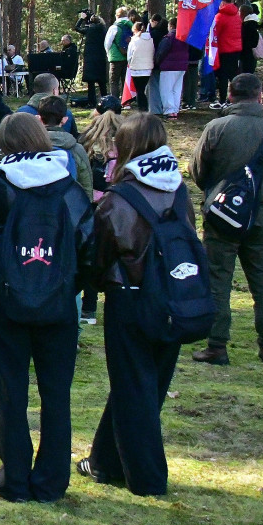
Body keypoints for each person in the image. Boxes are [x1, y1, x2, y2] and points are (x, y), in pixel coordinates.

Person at [0, 112, 93, 502]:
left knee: (9, 390)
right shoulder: (70, 187)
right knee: (56, 393)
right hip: (58, 299)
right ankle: (52, 481)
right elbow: (87, 245)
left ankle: (16, 478)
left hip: (6, 297)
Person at [79, 113, 191, 496]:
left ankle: (146, 478)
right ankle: (104, 461)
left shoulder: (119, 198)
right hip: (174, 296)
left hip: (131, 300)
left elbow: (98, 257)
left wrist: (93, 284)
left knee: (134, 388)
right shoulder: (178, 189)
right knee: (145, 385)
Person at [190, 73, 263, 365]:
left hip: (221, 215)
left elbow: (197, 170)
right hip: (260, 217)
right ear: (260, 95)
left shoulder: (216, 128)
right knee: (262, 282)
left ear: (230, 94)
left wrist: (216, 193)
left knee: (217, 279)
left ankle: (216, 345)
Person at [78, 106, 125, 325]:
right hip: (116, 203)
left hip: (92, 203)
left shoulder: (88, 143)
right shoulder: (125, 145)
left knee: (91, 254)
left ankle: (88, 309)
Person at [38, 95, 93, 199]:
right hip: (69, 206)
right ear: (64, 120)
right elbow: (87, 185)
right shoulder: (76, 149)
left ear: (39, 119)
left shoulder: (29, 146)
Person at [211, 0, 243, 109]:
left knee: (222, 76)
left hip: (224, 49)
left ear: (223, 3)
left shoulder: (220, 16)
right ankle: (234, 98)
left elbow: (215, 34)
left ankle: (222, 100)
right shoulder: (237, 15)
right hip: (236, 49)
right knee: (233, 75)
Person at [154, 18, 188, 119]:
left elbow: (161, 52)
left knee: (166, 89)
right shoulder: (184, 37)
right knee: (176, 89)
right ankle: (175, 110)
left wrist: (157, 61)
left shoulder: (169, 37)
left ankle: (169, 111)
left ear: (171, 26)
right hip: (181, 66)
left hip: (169, 67)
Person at [75, 13, 108, 105]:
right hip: (100, 56)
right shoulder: (103, 30)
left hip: (90, 57)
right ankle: (105, 100)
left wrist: (81, 19)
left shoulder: (89, 29)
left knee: (91, 82)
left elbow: (77, 28)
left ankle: (92, 102)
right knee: (102, 82)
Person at [105, 7, 133, 98]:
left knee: (114, 81)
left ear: (117, 15)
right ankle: (126, 100)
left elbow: (108, 43)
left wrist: (108, 53)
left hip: (115, 57)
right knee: (125, 80)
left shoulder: (114, 27)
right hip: (128, 56)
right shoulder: (131, 26)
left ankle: (115, 100)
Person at [126, 22, 154, 111]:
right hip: (148, 68)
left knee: (139, 91)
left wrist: (130, 63)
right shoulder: (150, 40)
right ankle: (145, 108)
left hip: (136, 68)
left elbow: (129, 56)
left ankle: (141, 108)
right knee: (142, 89)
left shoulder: (134, 41)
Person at [241, 3, 261, 76]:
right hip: (250, 53)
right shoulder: (253, 23)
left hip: (247, 53)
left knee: (246, 72)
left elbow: (252, 40)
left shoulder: (248, 25)